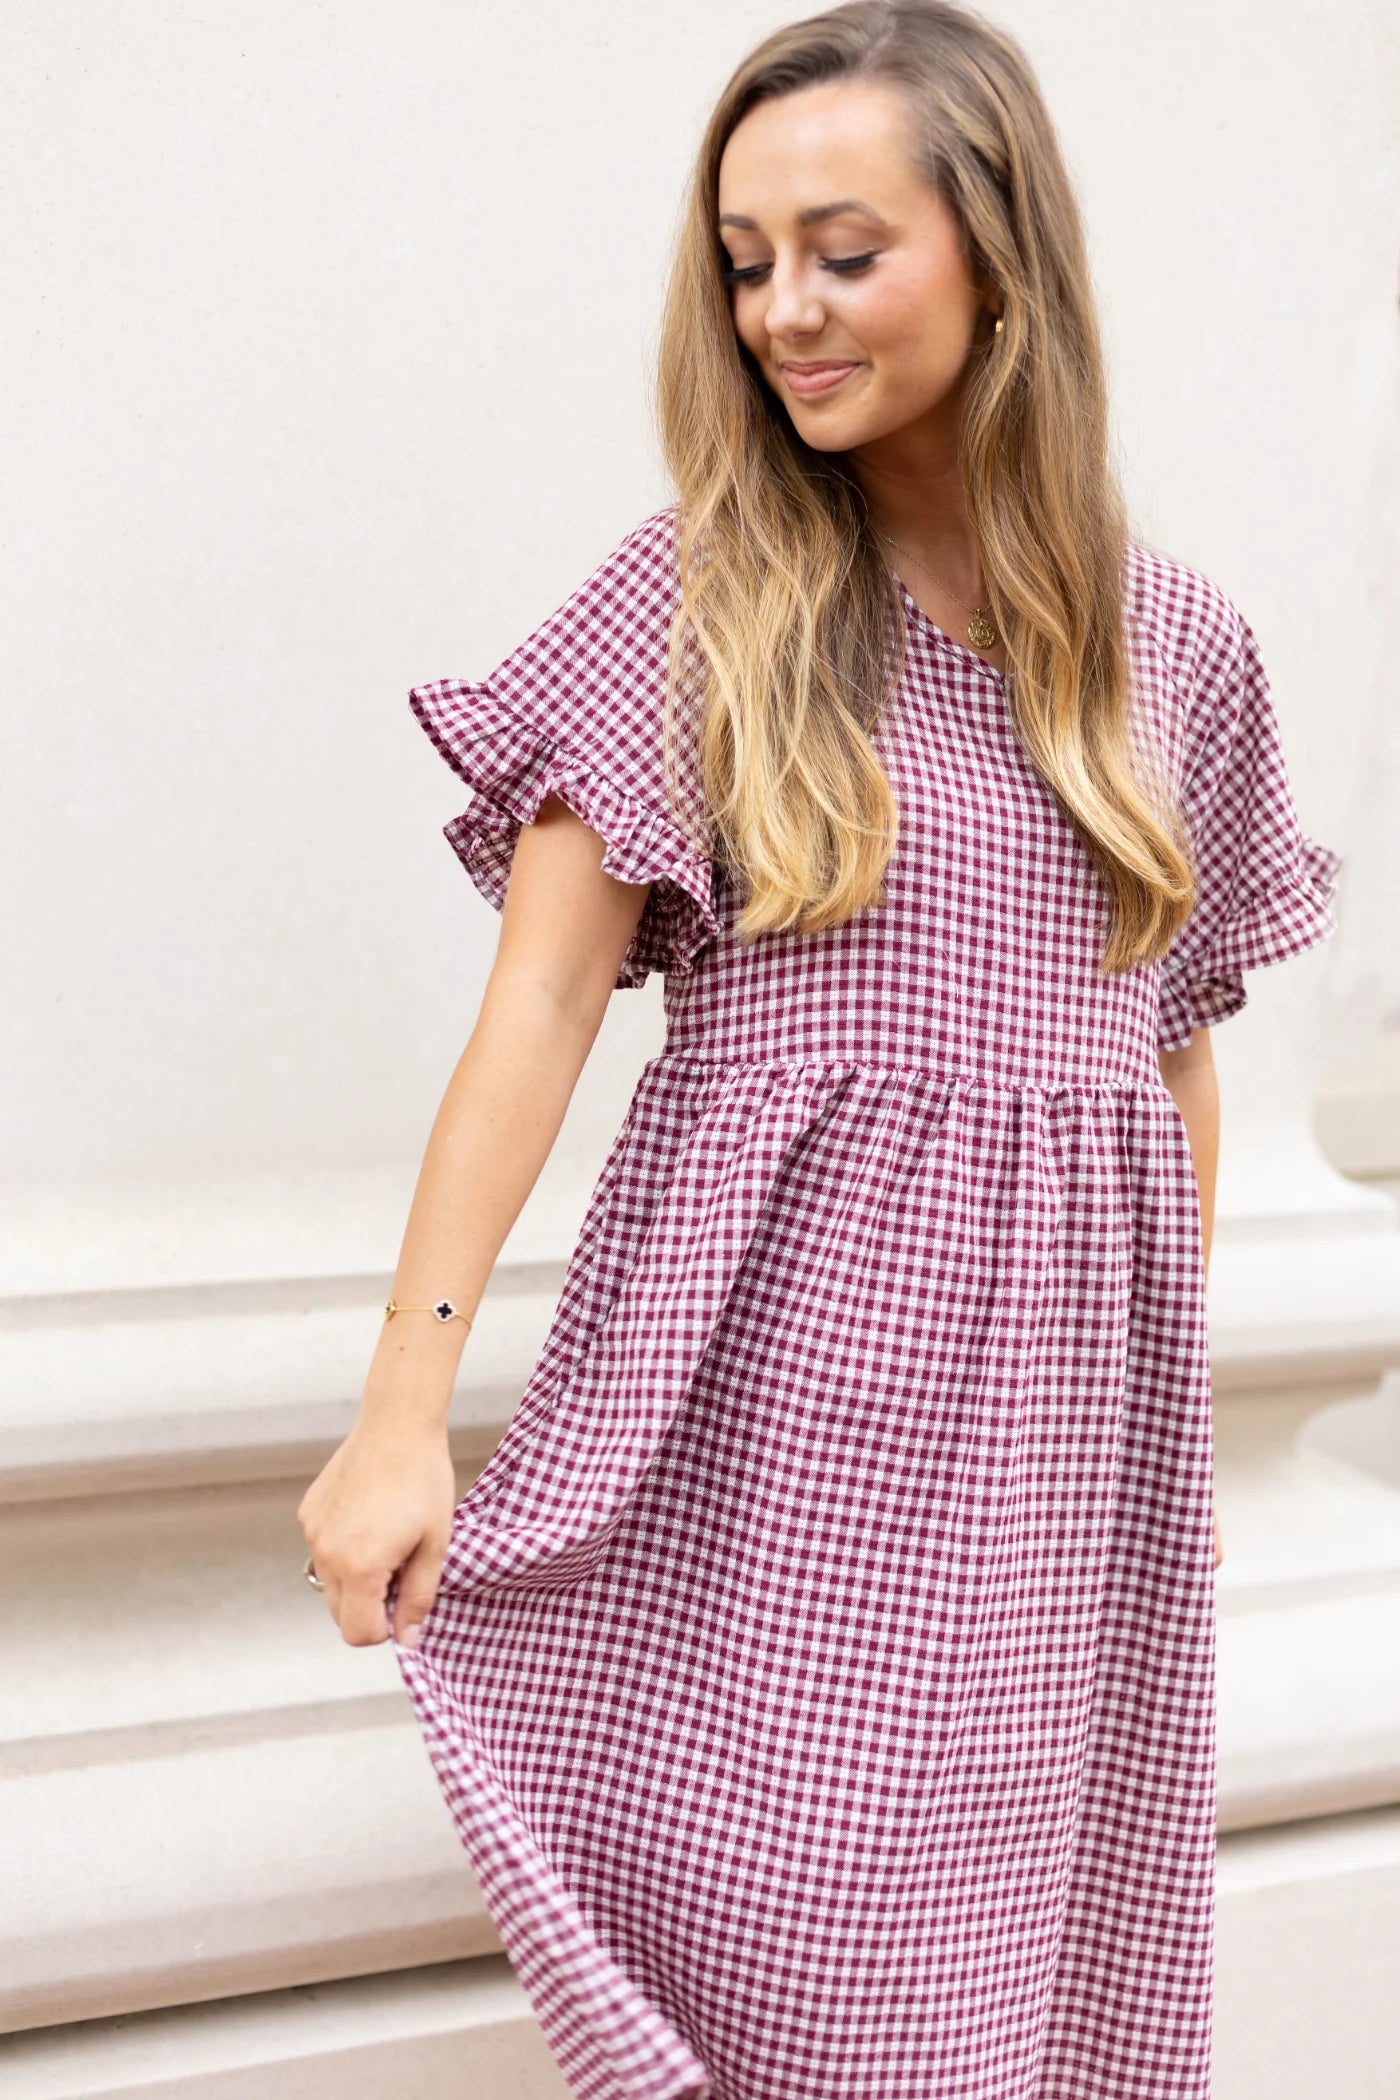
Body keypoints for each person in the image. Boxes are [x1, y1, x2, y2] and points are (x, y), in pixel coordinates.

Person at [296, 4, 1343, 2094]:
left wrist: (1173, 1414)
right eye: (745, 258)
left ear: (998, 253)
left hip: (1060, 1456)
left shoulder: (1183, 653)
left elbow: (1172, 1056)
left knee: (1018, 1983)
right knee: (823, 1983)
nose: (780, 309)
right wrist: (401, 1407)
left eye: (840, 250)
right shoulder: (705, 598)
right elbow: (535, 1007)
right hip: (777, 1414)